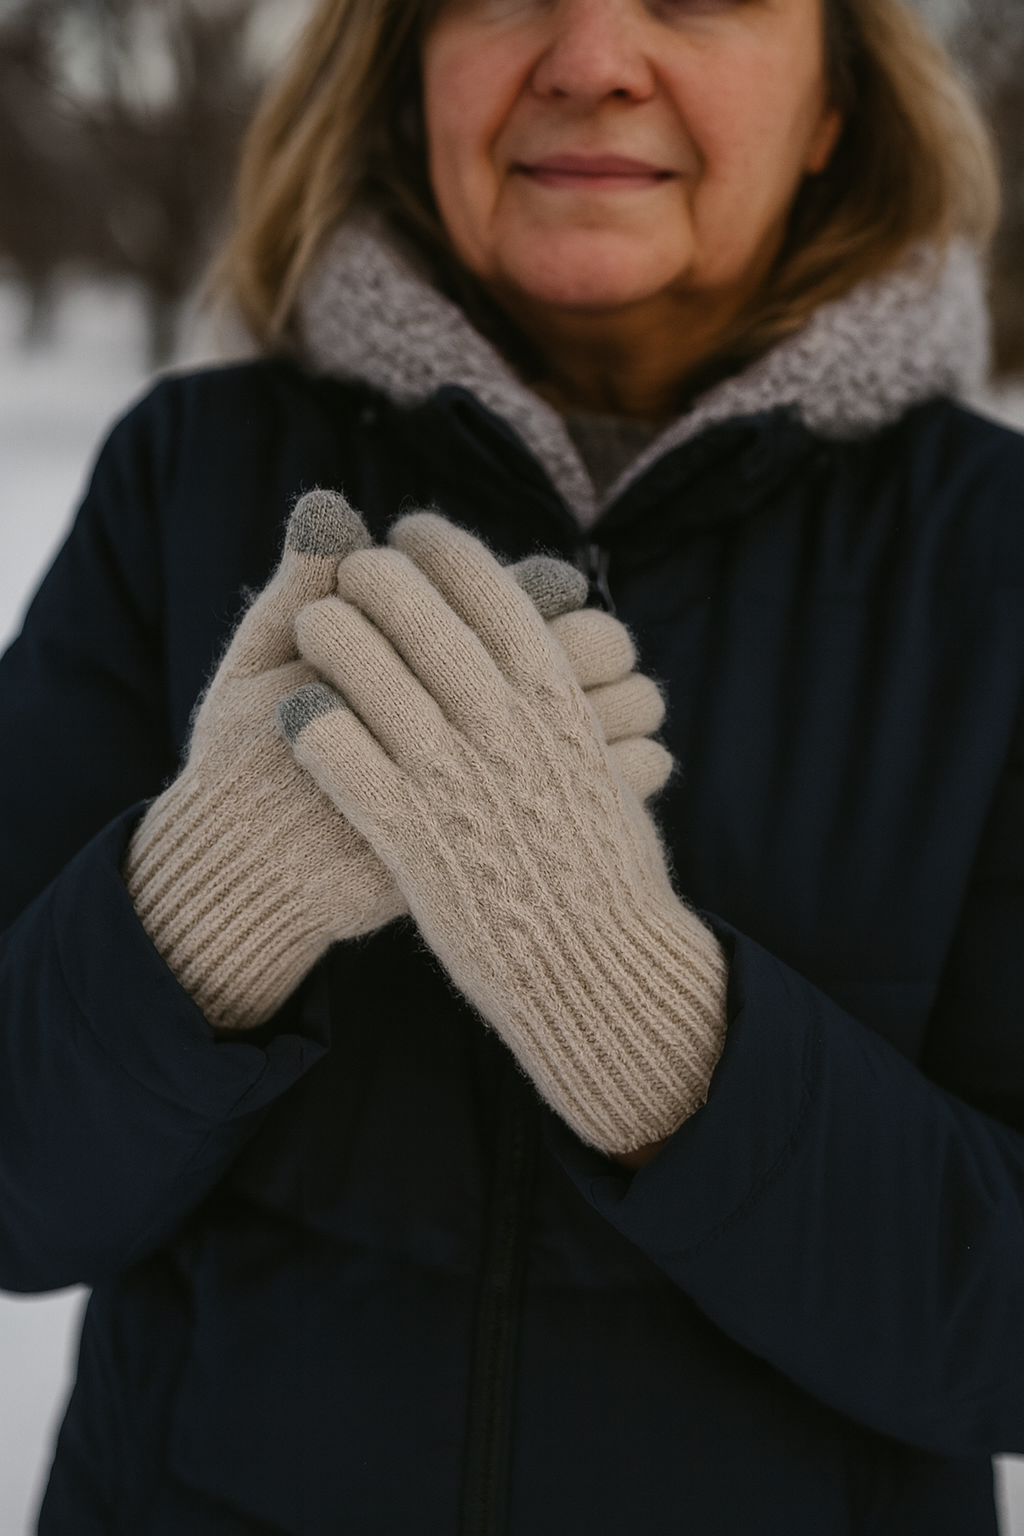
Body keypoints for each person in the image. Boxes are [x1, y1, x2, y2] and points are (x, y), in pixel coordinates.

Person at [2, 0, 1023, 1529]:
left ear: (834, 103)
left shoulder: (997, 560)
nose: (594, 53)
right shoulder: (188, 472)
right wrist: (205, 905)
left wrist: (637, 1012)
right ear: (404, 68)